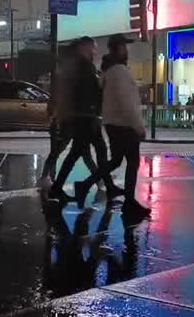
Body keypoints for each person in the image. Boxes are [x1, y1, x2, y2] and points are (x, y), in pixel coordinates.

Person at [84, 35, 149, 215]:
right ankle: (129, 202)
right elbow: (126, 101)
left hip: (113, 122)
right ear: (118, 49)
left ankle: (85, 184)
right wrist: (138, 125)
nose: (127, 50)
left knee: (116, 160)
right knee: (132, 161)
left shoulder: (109, 70)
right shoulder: (119, 70)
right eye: (125, 47)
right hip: (124, 123)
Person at [48, 36, 118, 204]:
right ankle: (61, 188)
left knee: (88, 152)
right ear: (85, 48)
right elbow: (88, 92)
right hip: (85, 117)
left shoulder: (78, 65)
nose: (95, 51)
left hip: (84, 116)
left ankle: (107, 186)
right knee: (82, 153)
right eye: (93, 48)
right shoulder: (84, 66)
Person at [39, 42, 99, 188]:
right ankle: (49, 180)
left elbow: (56, 99)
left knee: (73, 153)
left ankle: (50, 180)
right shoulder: (73, 74)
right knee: (64, 152)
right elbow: (59, 99)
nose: (95, 52)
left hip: (69, 120)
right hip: (67, 121)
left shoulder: (67, 75)